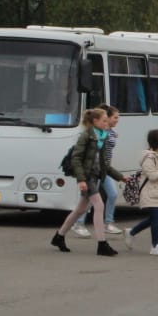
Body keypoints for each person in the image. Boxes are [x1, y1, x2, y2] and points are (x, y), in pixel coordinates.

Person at [50, 108, 124, 256]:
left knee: (80, 209)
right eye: (104, 120)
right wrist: (81, 180)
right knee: (99, 205)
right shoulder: (86, 136)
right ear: (95, 122)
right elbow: (76, 159)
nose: (106, 122)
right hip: (87, 177)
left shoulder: (101, 137)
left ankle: (59, 236)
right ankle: (102, 244)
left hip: (94, 176)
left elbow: (104, 164)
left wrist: (120, 177)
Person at [73, 104, 123, 238]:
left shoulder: (107, 133)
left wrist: (120, 176)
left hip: (103, 170)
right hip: (94, 171)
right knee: (91, 201)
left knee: (111, 195)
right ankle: (80, 225)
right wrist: (82, 178)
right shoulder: (94, 134)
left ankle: (108, 223)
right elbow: (78, 157)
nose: (116, 120)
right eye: (114, 118)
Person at [126, 128, 158, 255]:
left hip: (157, 191)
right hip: (149, 191)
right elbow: (152, 176)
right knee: (156, 217)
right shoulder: (148, 157)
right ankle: (155, 245)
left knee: (155, 217)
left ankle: (132, 232)